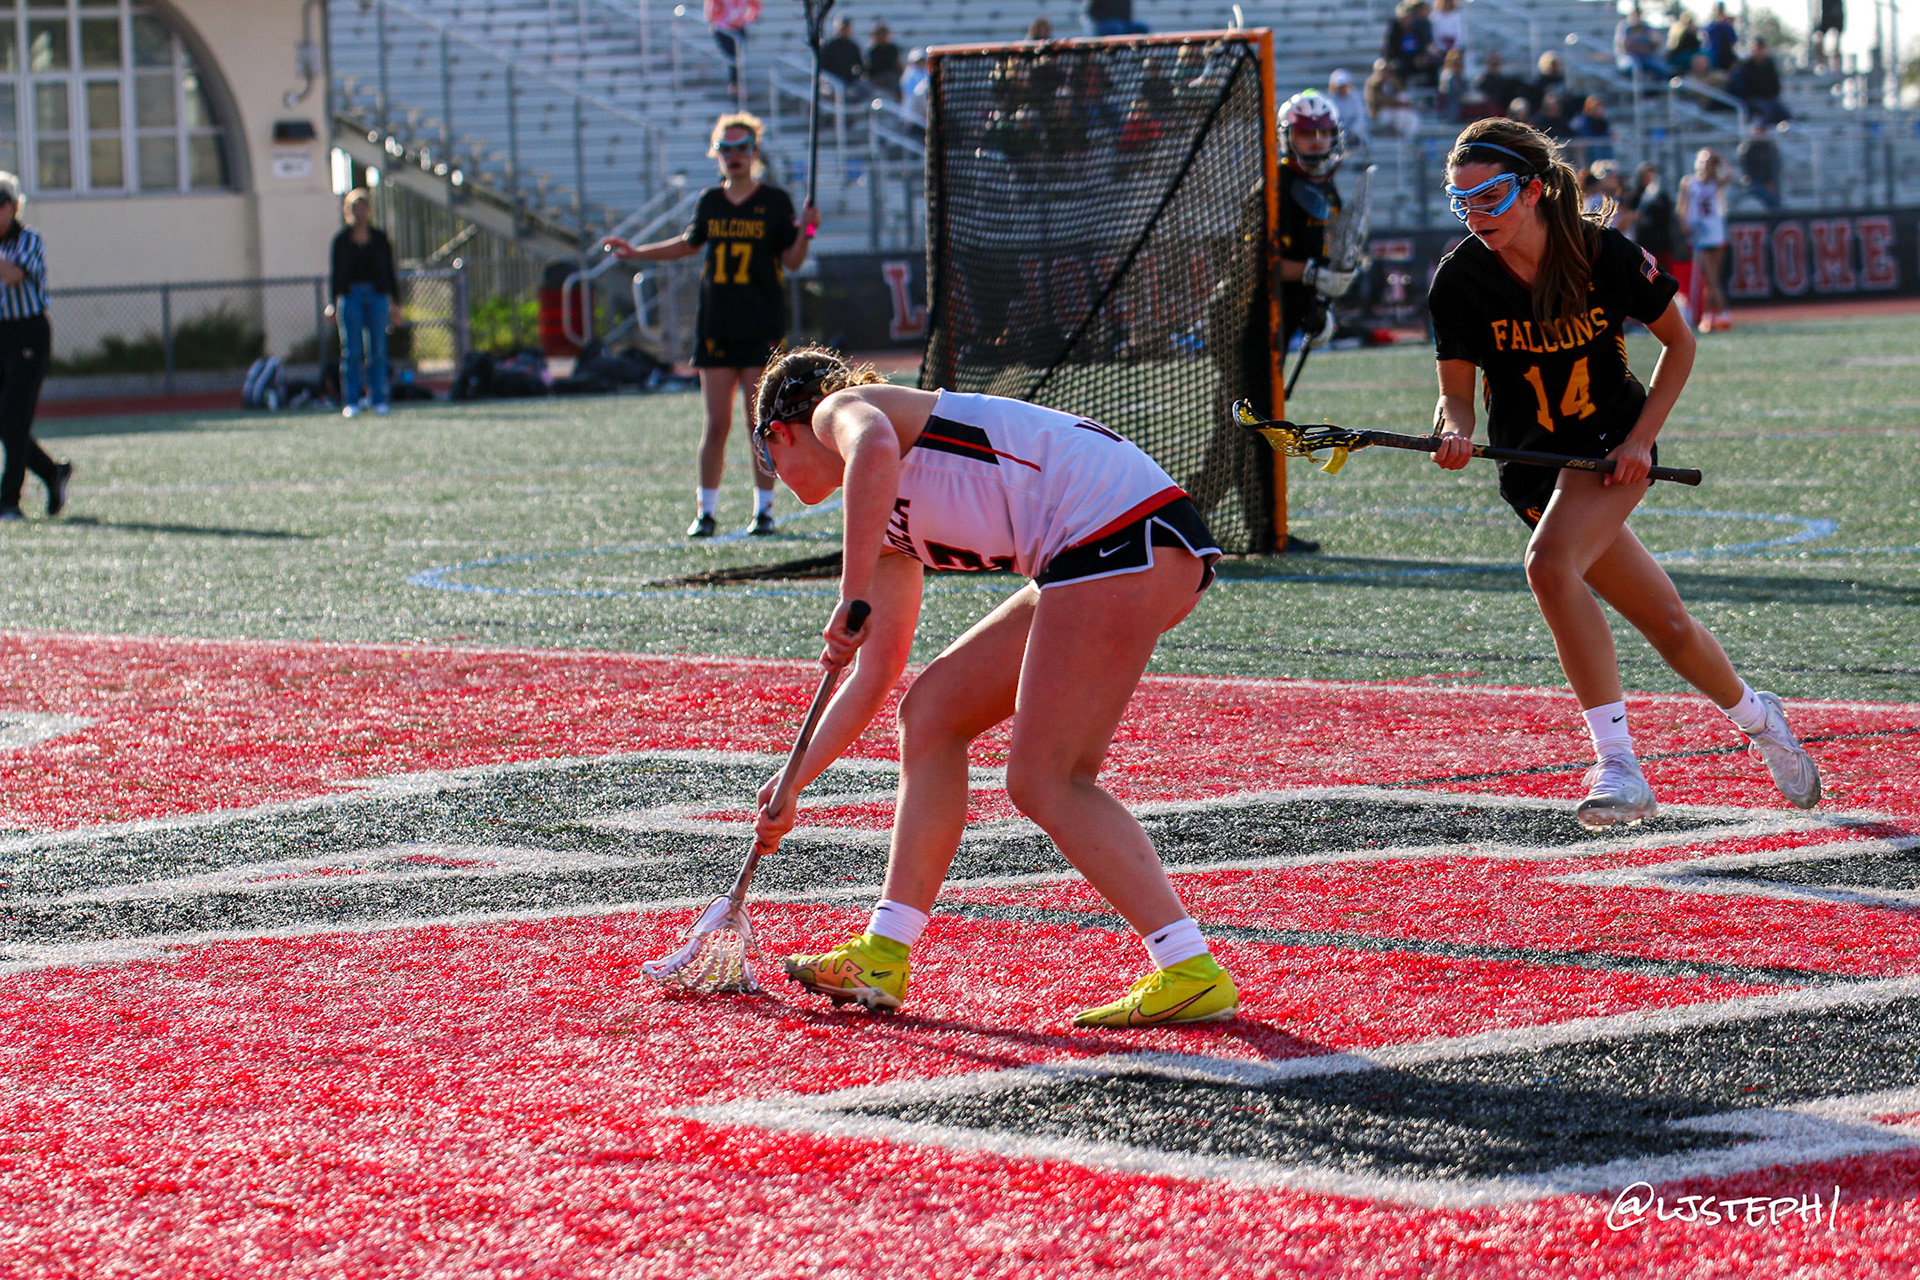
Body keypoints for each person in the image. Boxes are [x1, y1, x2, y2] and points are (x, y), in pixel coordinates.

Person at [749, 345, 1240, 1027]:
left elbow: (873, 446)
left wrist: (850, 592)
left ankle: (1188, 968)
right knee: (930, 714)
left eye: (766, 456)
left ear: (779, 432)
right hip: (1109, 547)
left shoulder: (846, 411)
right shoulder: (881, 517)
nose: (773, 473)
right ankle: (884, 952)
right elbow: (875, 674)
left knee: (1046, 779)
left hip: (1121, 537)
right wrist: (794, 779)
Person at [1426, 119, 1820, 830]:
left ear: (1532, 191)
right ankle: (1761, 719)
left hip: (1610, 447)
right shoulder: (1459, 280)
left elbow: (1679, 342)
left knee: (1548, 566)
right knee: (1666, 623)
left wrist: (1642, 440)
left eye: (1488, 197)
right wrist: (1453, 430)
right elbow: (1455, 393)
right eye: (1462, 202)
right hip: (1532, 466)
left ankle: (1618, 765)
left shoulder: (1601, 253)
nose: (1474, 214)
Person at [600, 113, 819, 537]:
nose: (734, 156)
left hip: (760, 323)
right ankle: (706, 511)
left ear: (754, 152)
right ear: (716, 153)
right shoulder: (710, 202)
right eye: (725, 148)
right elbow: (688, 244)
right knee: (716, 424)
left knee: (760, 425)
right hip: (717, 323)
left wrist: (808, 228)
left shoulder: (775, 201)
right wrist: (636, 252)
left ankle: (764, 511)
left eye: (742, 148)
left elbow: (792, 261)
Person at [0, 174, 68, 523]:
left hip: (28, 333)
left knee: (14, 420)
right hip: (1, 333)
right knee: (4, 423)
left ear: (11, 208)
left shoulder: (28, 239)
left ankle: (8, 501)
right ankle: (52, 472)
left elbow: (13, 275)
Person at [328, 187, 403, 420]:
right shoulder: (341, 240)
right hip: (351, 296)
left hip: (376, 295)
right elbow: (336, 274)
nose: (360, 212)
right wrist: (333, 302)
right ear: (348, 211)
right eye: (355, 208)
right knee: (351, 351)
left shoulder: (379, 238)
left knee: (378, 350)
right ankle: (352, 400)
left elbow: (389, 271)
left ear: (369, 210)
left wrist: (396, 302)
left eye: (363, 207)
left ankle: (378, 398)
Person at [1680, 147, 1731, 331]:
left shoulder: (1715, 182)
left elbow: (1730, 176)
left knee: (1712, 279)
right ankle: (1720, 314)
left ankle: (1711, 316)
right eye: (1702, 161)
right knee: (1710, 278)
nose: (1704, 165)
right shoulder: (1689, 182)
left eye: (1708, 162)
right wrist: (1684, 224)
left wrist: (1720, 158)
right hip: (1698, 235)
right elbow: (1681, 207)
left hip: (1714, 233)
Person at [705, 0, 760, 100]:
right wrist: (717, 20)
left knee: (738, 57)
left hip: (738, 28)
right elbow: (712, 9)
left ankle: (736, 85)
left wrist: (748, 18)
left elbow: (755, 5)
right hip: (723, 28)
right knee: (733, 57)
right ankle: (734, 85)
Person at [1727, 37, 1789, 125]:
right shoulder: (1743, 66)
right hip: (1752, 100)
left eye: (1761, 48)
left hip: (1769, 99)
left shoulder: (1769, 65)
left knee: (1783, 113)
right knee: (1764, 112)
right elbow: (1739, 88)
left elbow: (1775, 86)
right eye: (1757, 48)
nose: (1760, 51)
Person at [1382, 0, 1437, 86]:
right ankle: (1401, 89)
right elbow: (1390, 50)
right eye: (1404, 17)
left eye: (1409, 17)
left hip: (1416, 59)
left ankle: (1429, 89)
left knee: (1433, 64)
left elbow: (1424, 44)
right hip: (1401, 60)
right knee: (1399, 67)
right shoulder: (1394, 30)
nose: (1407, 19)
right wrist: (1409, 60)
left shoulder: (1419, 27)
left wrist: (1421, 57)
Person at [1613, 4, 1667, 79]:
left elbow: (1656, 44)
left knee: (1661, 69)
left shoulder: (1646, 28)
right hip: (1628, 56)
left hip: (1645, 57)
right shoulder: (1625, 27)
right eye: (1634, 14)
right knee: (1632, 67)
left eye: (1638, 14)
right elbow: (1624, 46)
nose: (1637, 17)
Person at [1738, 121, 1782, 210]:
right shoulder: (1748, 148)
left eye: (1762, 130)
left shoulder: (1770, 147)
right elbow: (1746, 166)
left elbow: (1775, 165)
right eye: (1758, 130)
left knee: (1774, 202)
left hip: (1769, 181)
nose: (1760, 133)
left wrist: (1770, 180)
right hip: (1754, 181)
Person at [1326, 67, 1371, 150]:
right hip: (1338, 134)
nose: (1342, 89)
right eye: (1340, 86)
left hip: (1355, 135)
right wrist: (1340, 132)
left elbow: (1360, 117)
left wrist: (1353, 131)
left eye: (1344, 86)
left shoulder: (1355, 98)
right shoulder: (1330, 100)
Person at [818, 16, 864, 93]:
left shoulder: (853, 46)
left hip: (849, 81)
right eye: (843, 28)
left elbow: (859, 65)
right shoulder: (830, 46)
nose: (845, 30)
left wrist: (855, 74)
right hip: (833, 80)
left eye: (847, 28)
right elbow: (824, 67)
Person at [1474, 53, 1527, 118]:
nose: (1494, 67)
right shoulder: (1482, 81)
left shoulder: (1505, 81)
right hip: (1488, 113)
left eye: (1496, 64)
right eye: (1492, 64)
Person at [865, 21, 903, 99]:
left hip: (891, 77)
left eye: (884, 34)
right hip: (876, 78)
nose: (882, 36)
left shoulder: (892, 49)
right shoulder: (872, 50)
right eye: (879, 34)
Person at [1703, 2, 1739, 71]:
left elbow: (1733, 41)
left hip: (1725, 57)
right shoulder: (1710, 26)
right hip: (1712, 56)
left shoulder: (1727, 26)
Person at [1812, 0, 1844, 75]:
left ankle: (1836, 67)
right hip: (1826, 15)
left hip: (1835, 14)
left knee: (1836, 42)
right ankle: (1821, 65)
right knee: (1819, 38)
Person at [1085, 0, 1149, 37]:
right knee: (1118, 27)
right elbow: (1092, 12)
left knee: (1142, 27)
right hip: (1105, 23)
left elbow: (1128, 14)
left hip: (1122, 23)